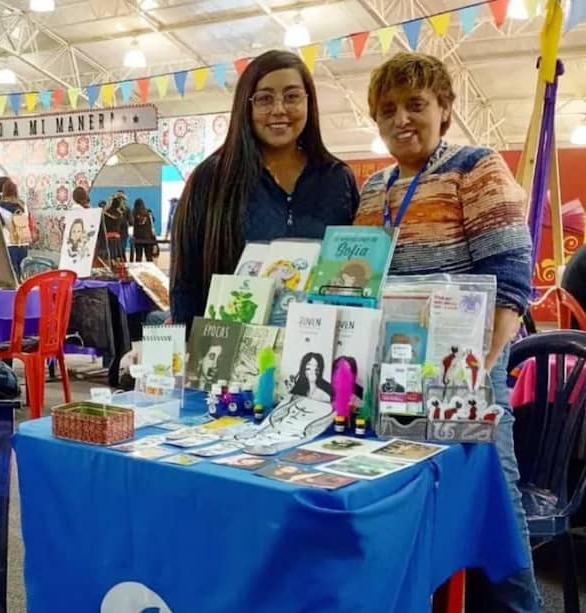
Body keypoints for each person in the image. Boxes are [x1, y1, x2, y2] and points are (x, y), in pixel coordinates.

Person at [353, 52, 539, 611]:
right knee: (409, 498)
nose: (401, 119)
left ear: (445, 110)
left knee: (491, 501)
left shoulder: (474, 167)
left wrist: (482, 367)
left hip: (467, 367)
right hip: (393, 372)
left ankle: (520, 606)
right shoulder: (373, 188)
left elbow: (510, 276)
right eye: (388, 110)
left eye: (416, 105)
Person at [170, 50, 360, 326]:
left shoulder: (336, 178)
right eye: (264, 98)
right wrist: (189, 348)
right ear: (246, 107)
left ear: (309, 102)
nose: (279, 109)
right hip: (230, 351)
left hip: (315, 351)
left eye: (292, 96)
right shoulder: (212, 178)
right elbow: (184, 282)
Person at [0, 180, 31, 278]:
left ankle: (15, 292)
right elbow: (26, 220)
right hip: (23, 241)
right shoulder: (23, 205)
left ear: (4, 191)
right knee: (23, 271)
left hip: (9, 242)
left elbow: (0, 225)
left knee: (13, 272)